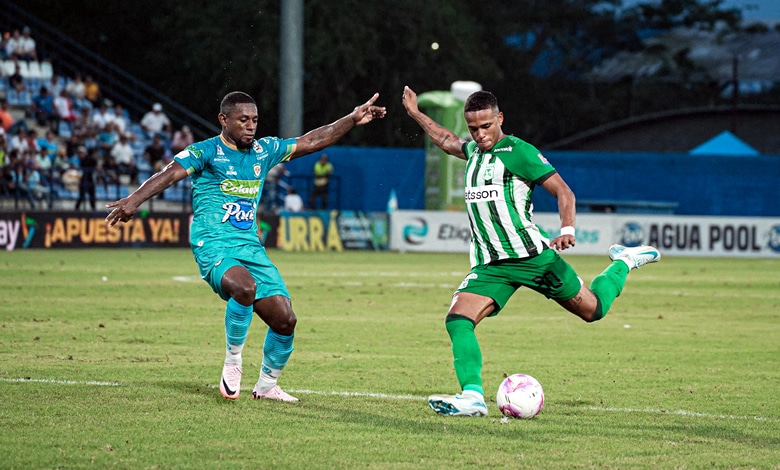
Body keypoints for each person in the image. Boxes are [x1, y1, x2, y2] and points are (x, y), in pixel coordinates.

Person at [105, 91, 386, 402]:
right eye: (243, 120)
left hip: (251, 248)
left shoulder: (264, 150)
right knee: (245, 288)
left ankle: (266, 386)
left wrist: (351, 119)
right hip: (213, 245)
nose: (251, 126)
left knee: (285, 320)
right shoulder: (205, 152)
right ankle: (233, 360)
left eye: (254, 120)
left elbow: (311, 141)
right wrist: (133, 200)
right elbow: (169, 174)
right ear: (223, 120)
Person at [401, 86, 661, 417]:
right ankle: (472, 397)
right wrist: (415, 113)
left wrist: (567, 229)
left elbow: (564, 192)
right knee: (457, 320)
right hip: (491, 265)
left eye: (486, 126)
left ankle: (622, 262)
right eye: (474, 128)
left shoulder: (519, 151)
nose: (480, 135)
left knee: (593, 311)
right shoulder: (474, 153)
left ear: (500, 118)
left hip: (534, 259)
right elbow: (446, 140)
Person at [75, 146, 97, 211]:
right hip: (83, 179)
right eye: (79, 153)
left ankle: (93, 209)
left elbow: (94, 164)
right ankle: (76, 209)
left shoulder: (89, 159)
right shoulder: (78, 160)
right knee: (81, 195)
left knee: (92, 195)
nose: (80, 155)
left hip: (89, 179)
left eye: (81, 153)